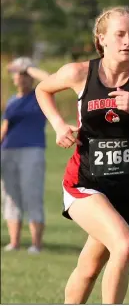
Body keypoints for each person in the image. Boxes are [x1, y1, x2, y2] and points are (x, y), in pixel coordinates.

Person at [35, 6, 129, 304]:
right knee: (124, 246)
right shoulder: (78, 73)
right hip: (84, 182)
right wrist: (58, 124)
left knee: (89, 269)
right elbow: (42, 89)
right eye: (120, 34)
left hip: (128, 191)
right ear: (102, 39)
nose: (127, 41)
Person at [1, 57, 50, 254]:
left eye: (25, 75)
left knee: (32, 194)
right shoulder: (12, 101)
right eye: (18, 75)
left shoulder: (41, 96)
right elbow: (5, 128)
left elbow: (49, 79)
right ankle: (14, 242)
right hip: (8, 150)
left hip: (32, 150)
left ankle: (36, 244)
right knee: (10, 197)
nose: (21, 79)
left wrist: (29, 68)